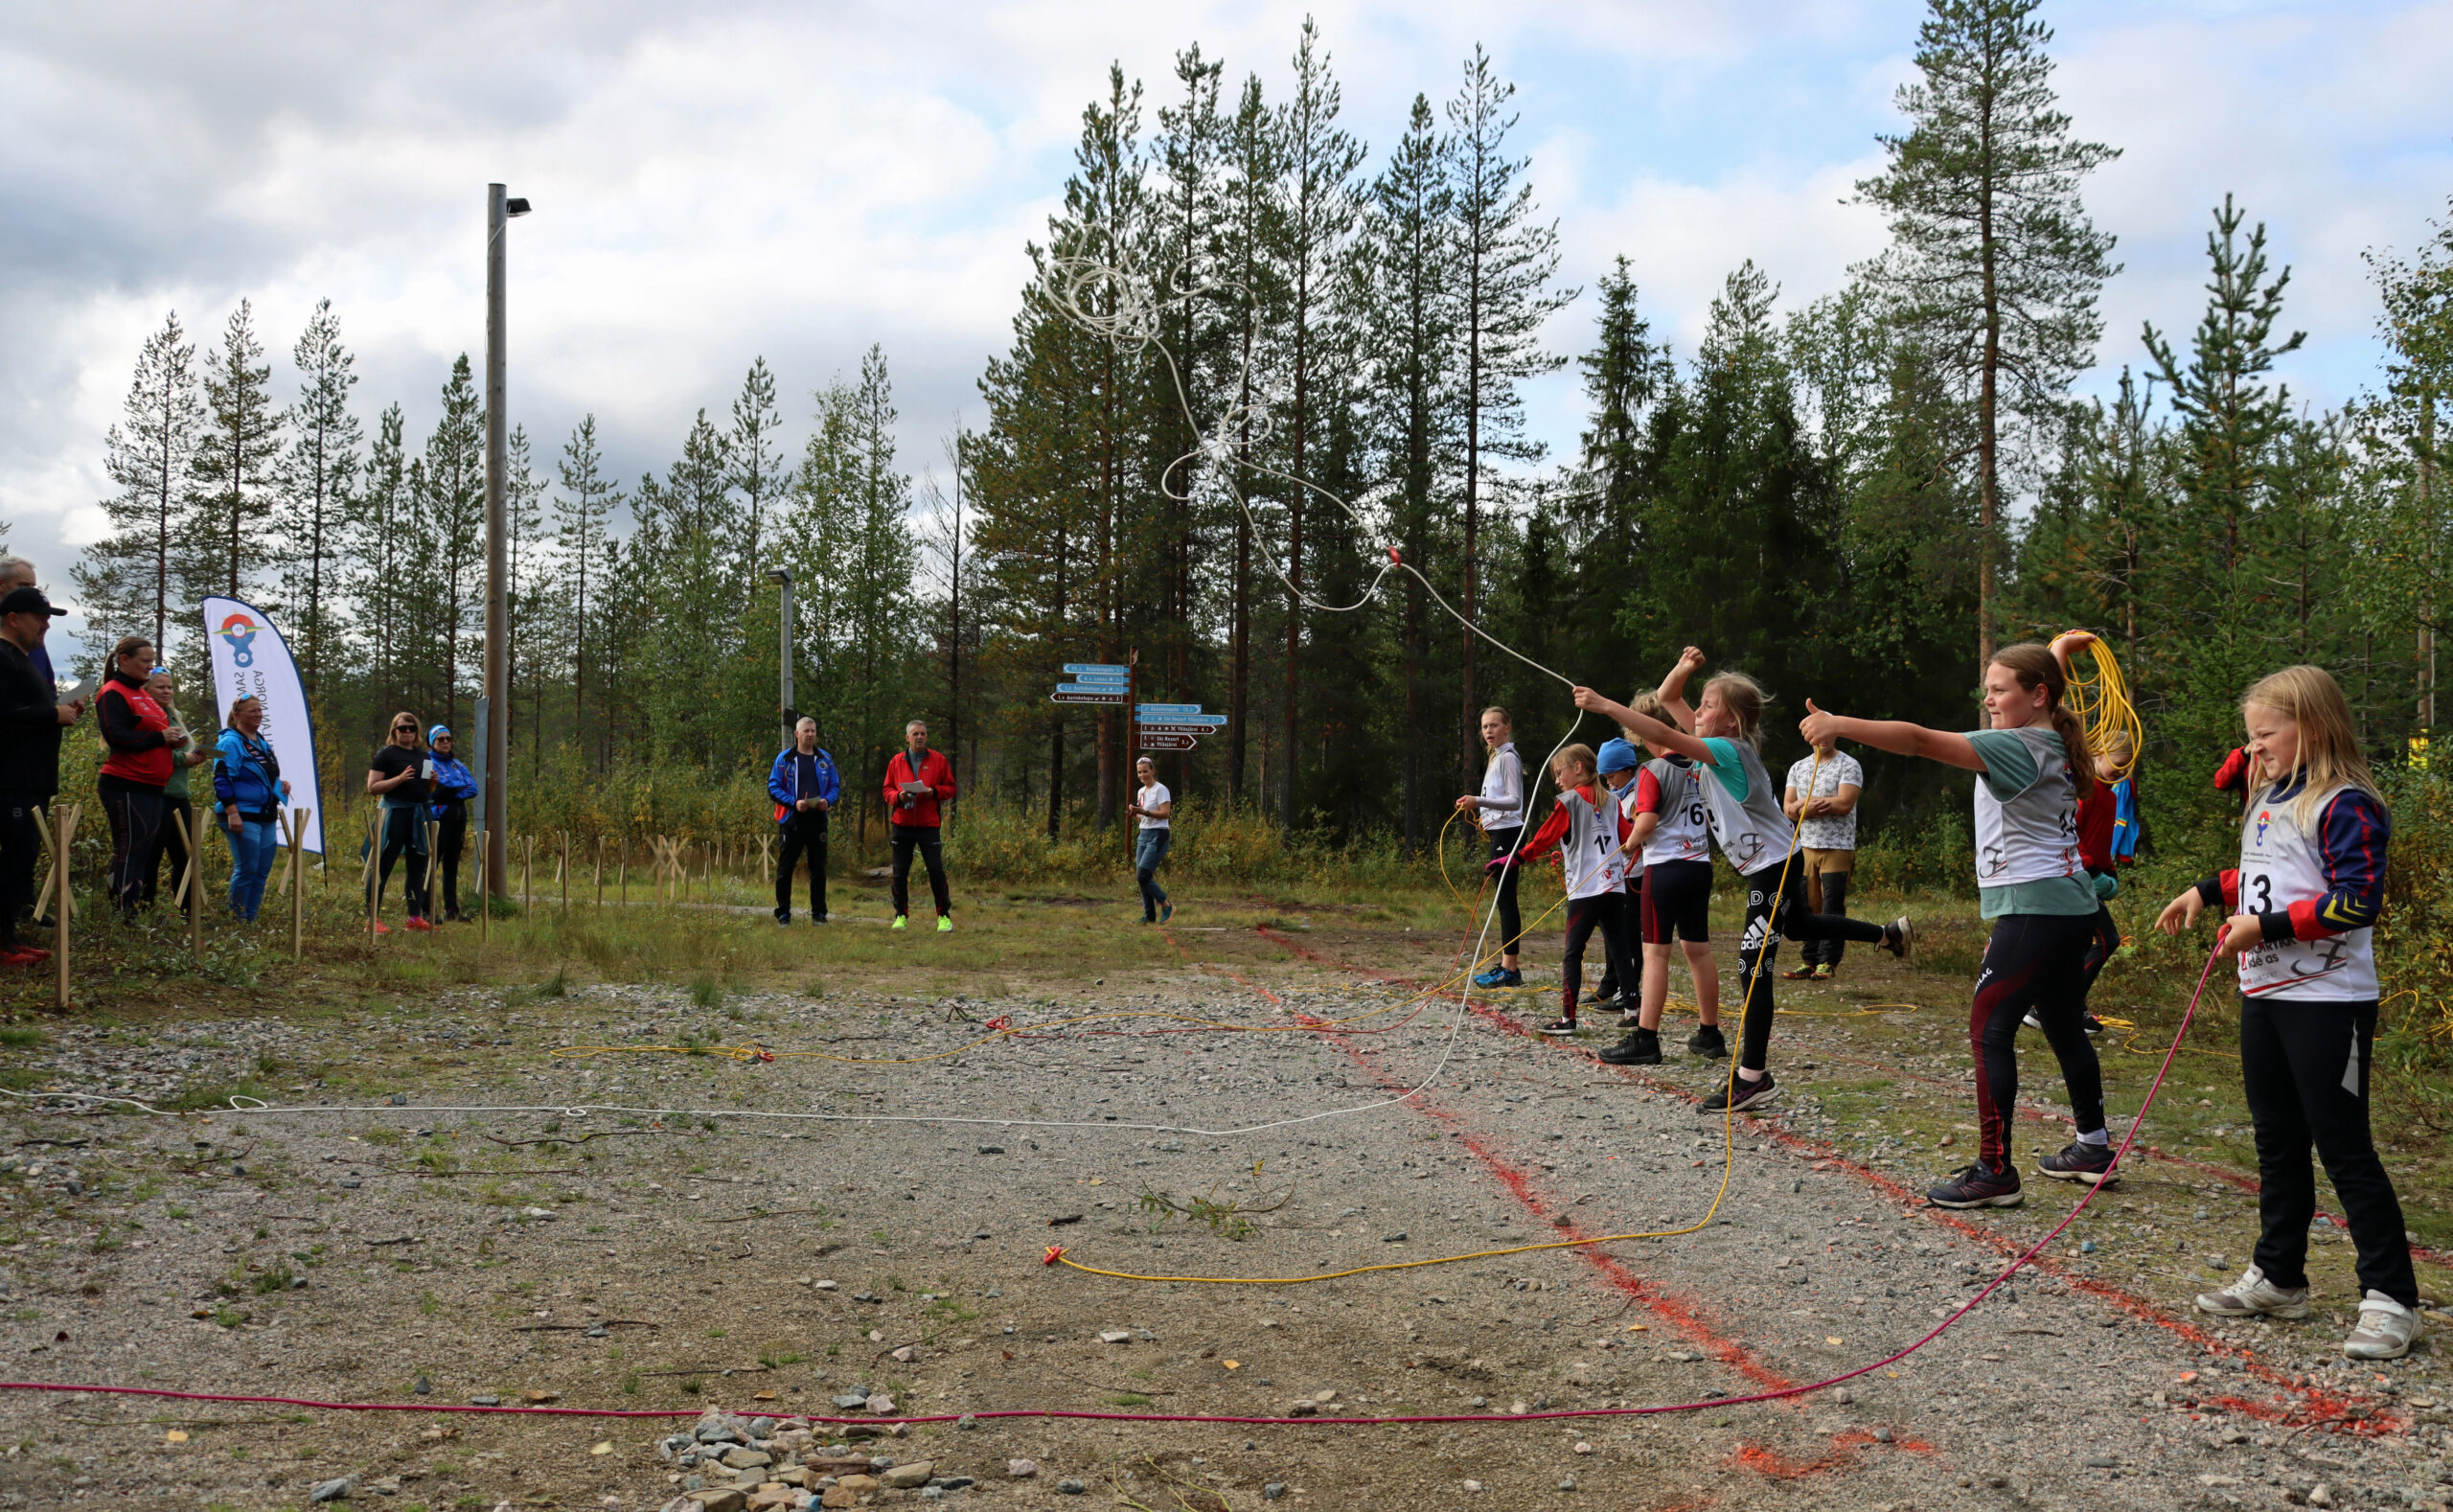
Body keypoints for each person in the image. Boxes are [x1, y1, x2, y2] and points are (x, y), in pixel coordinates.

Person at [2159, 666, 2419, 1362]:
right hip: (2265, 996)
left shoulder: (2347, 803)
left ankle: (2392, 1298)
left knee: (2343, 1145)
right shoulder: (2276, 796)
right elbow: (2268, 870)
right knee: (2276, 1140)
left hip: (2330, 1003)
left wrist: (2264, 928)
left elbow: (2355, 902)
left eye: (2265, 735)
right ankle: (2279, 1275)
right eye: (2250, 738)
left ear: (2312, 726)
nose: (2253, 750)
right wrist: (2204, 893)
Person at [1798, 642, 2112, 1209]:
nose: (1988, 699)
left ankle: (1995, 1171)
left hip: (2033, 909)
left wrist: (1837, 723)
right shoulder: (2051, 737)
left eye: (1999, 690)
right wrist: (2056, 653)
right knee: (2063, 1025)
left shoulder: (2018, 746)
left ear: (2038, 695)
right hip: (2071, 908)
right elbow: (2038, 687)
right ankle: (2092, 1146)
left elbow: (1917, 740)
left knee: (1990, 1029)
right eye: (1986, 688)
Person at [1576, 651, 1905, 1111]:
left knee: (1753, 970)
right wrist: (1686, 670)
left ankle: (1752, 1077)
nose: (1699, 713)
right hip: (1776, 861)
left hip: (1773, 866)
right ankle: (1886, 934)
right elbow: (1667, 699)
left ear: (1730, 721)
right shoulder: (1717, 744)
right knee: (1802, 927)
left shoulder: (1728, 751)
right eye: (1702, 704)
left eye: (1708, 706)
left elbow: (1664, 730)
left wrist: (1607, 706)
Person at [1598, 694, 1724, 1066]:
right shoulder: (1701, 763)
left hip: (1665, 869)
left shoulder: (1652, 770)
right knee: (1698, 949)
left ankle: (1646, 1038)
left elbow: (1647, 821)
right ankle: (1709, 1033)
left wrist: (1630, 844)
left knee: (1655, 952)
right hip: (1699, 865)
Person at [1486, 744, 1637, 1038]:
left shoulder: (1569, 801)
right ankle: (1633, 1011)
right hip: (1614, 886)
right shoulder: (1611, 801)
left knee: (1572, 953)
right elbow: (1627, 837)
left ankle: (1567, 1019)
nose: (1557, 780)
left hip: (1586, 889)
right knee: (1620, 948)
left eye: (1560, 772)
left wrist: (1512, 859)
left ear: (1577, 768)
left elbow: (1542, 840)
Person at [0, 588, 80, 966]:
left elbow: (23, 712)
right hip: (12, 780)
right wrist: (51, 715)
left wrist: (59, 711)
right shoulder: (2, 657)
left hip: (32, 778)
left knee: (22, 860)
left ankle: (8, 940)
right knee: (13, 859)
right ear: (13, 617)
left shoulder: (22, 659)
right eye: (40, 616)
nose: (46, 624)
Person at [95, 636, 181, 918]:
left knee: (144, 849)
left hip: (154, 785)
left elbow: (153, 736)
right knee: (129, 849)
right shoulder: (113, 692)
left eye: (152, 661)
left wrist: (172, 741)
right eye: (145, 661)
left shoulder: (144, 695)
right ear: (124, 660)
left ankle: (133, 911)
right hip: (125, 783)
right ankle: (122, 914)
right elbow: (116, 736)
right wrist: (160, 737)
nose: (149, 666)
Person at [1781, 730, 1864, 981]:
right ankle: (1809, 960)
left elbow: (1844, 804)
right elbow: (1787, 809)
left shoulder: (1849, 765)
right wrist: (1809, 805)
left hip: (1837, 845)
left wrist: (1803, 807)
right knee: (1808, 904)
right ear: (1808, 737)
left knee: (1832, 905)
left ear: (1836, 735)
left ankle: (1828, 961)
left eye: (1828, 733)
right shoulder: (1798, 767)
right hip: (1806, 845)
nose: (1822, 739)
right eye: (1817, 735)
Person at [1458, 707, 1526, 988]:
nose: (1488, 731)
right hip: (1499, 833)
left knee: (1506, 899)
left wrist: (1479, 801)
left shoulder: (1508, 758)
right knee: (1503, 899)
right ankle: (1508, 965)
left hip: (1509, 833)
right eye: (1485, 726)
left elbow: (1515, 801)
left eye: (1494, 725)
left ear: (1507, 727)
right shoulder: (1497, 758)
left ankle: (1510, 969)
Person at [140, 670, 213, 908]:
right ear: (147, 689)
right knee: (151, 856)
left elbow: (177, 750)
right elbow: (148, 753)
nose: (167, 692)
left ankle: (187, 911)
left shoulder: (175, 715)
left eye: (170, 687)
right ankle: (145, 908)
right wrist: (184, 758)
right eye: (161, 687)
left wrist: (195, 756)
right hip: (157, 795)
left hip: (180, 795)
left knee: (187, 857)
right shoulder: (146, 716)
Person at [212, 696, 289, 921]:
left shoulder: (261, 742)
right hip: (242, 814)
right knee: (247, 868)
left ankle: (250, 919)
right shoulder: (230, 742)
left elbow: (263, 776)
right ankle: (235, 919)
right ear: (237, 715)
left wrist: (280, 785)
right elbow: (222, 778)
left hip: (265, 814)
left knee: (261, 870)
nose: (257, 714)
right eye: (251, 711)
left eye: (259, 710)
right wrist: (232, 812)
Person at [883, 719, 955, 931]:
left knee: (935, 869)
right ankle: (900, 915)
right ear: (907, 738)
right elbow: (886, 790)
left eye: (922, 733)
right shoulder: (896, 762)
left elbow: (951, 788)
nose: (919, 737)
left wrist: (934, 792)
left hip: (928, 824)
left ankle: (943, 916)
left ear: (927, 736)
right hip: (902, 824)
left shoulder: (938, 760)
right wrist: (898, 796)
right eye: (915, 734)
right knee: (899, 872)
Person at [768, 717, 839, 925]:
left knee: (818, 867)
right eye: (806, 731)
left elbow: (835, 786)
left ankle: (819, 913)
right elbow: (773, 787)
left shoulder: (824, 758)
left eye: (813, 731)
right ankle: (783, 912)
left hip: (817, 818)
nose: (810, 734)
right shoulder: (785, 759)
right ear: (797, 734)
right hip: (792, 819)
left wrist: (828, 800)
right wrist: (793, 802)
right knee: (786, 867)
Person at [366, 713, 433, 932]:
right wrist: (400, 779)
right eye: (402, 728)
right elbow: (373, 787)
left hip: (418, 815)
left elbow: (425, 789)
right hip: (394, 813)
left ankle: (414, 918)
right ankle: (372, 919)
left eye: (411, 728)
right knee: (383, 865)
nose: (407, 732)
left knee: (417, 867)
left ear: (417, 731)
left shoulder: (424, 756)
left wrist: (433, 783)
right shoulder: (386, 755)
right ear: (394, 730)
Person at [425, 725, 479, 921]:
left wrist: (451, 789)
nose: (446, 742)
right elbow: (431, 789)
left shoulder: (457, 764)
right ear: (432, 742)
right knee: (431, 862)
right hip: (437, 817)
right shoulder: (426, 762)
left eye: (448, 738)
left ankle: (451, 909)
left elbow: (473, 788)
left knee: (452, 864)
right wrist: (453, 788)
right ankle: (426, 910)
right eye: (441, 739)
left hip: (458, 815)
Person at [1126, 756, 1175, 925]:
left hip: (1159, 834)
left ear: (1152, 771)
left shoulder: (1161, 789)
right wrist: (1135, 814)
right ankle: (1149, 916)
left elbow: (1165, 813)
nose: (1142, 775)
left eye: (1145, 771)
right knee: (1142, 877)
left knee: (1143, 874)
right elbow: (1142, 819)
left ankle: (1166, 905)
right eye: (1139, 772)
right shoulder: (1141, 791)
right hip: (1144, 835)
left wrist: (1145, 812)